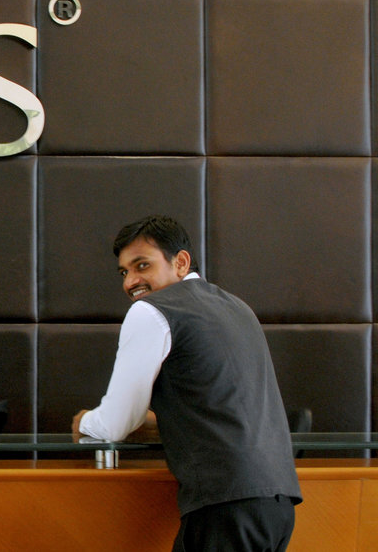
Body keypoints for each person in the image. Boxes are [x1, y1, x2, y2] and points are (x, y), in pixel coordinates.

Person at [72, 215, 301, 552]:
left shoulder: (150, 311)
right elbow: (217, 407)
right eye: (124, 272)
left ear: (180, 262)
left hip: (225, 508)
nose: (130, 282)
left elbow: (115, 424)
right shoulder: (237, 308)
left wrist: (84, 423)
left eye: (142, 265)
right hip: (278, 506)